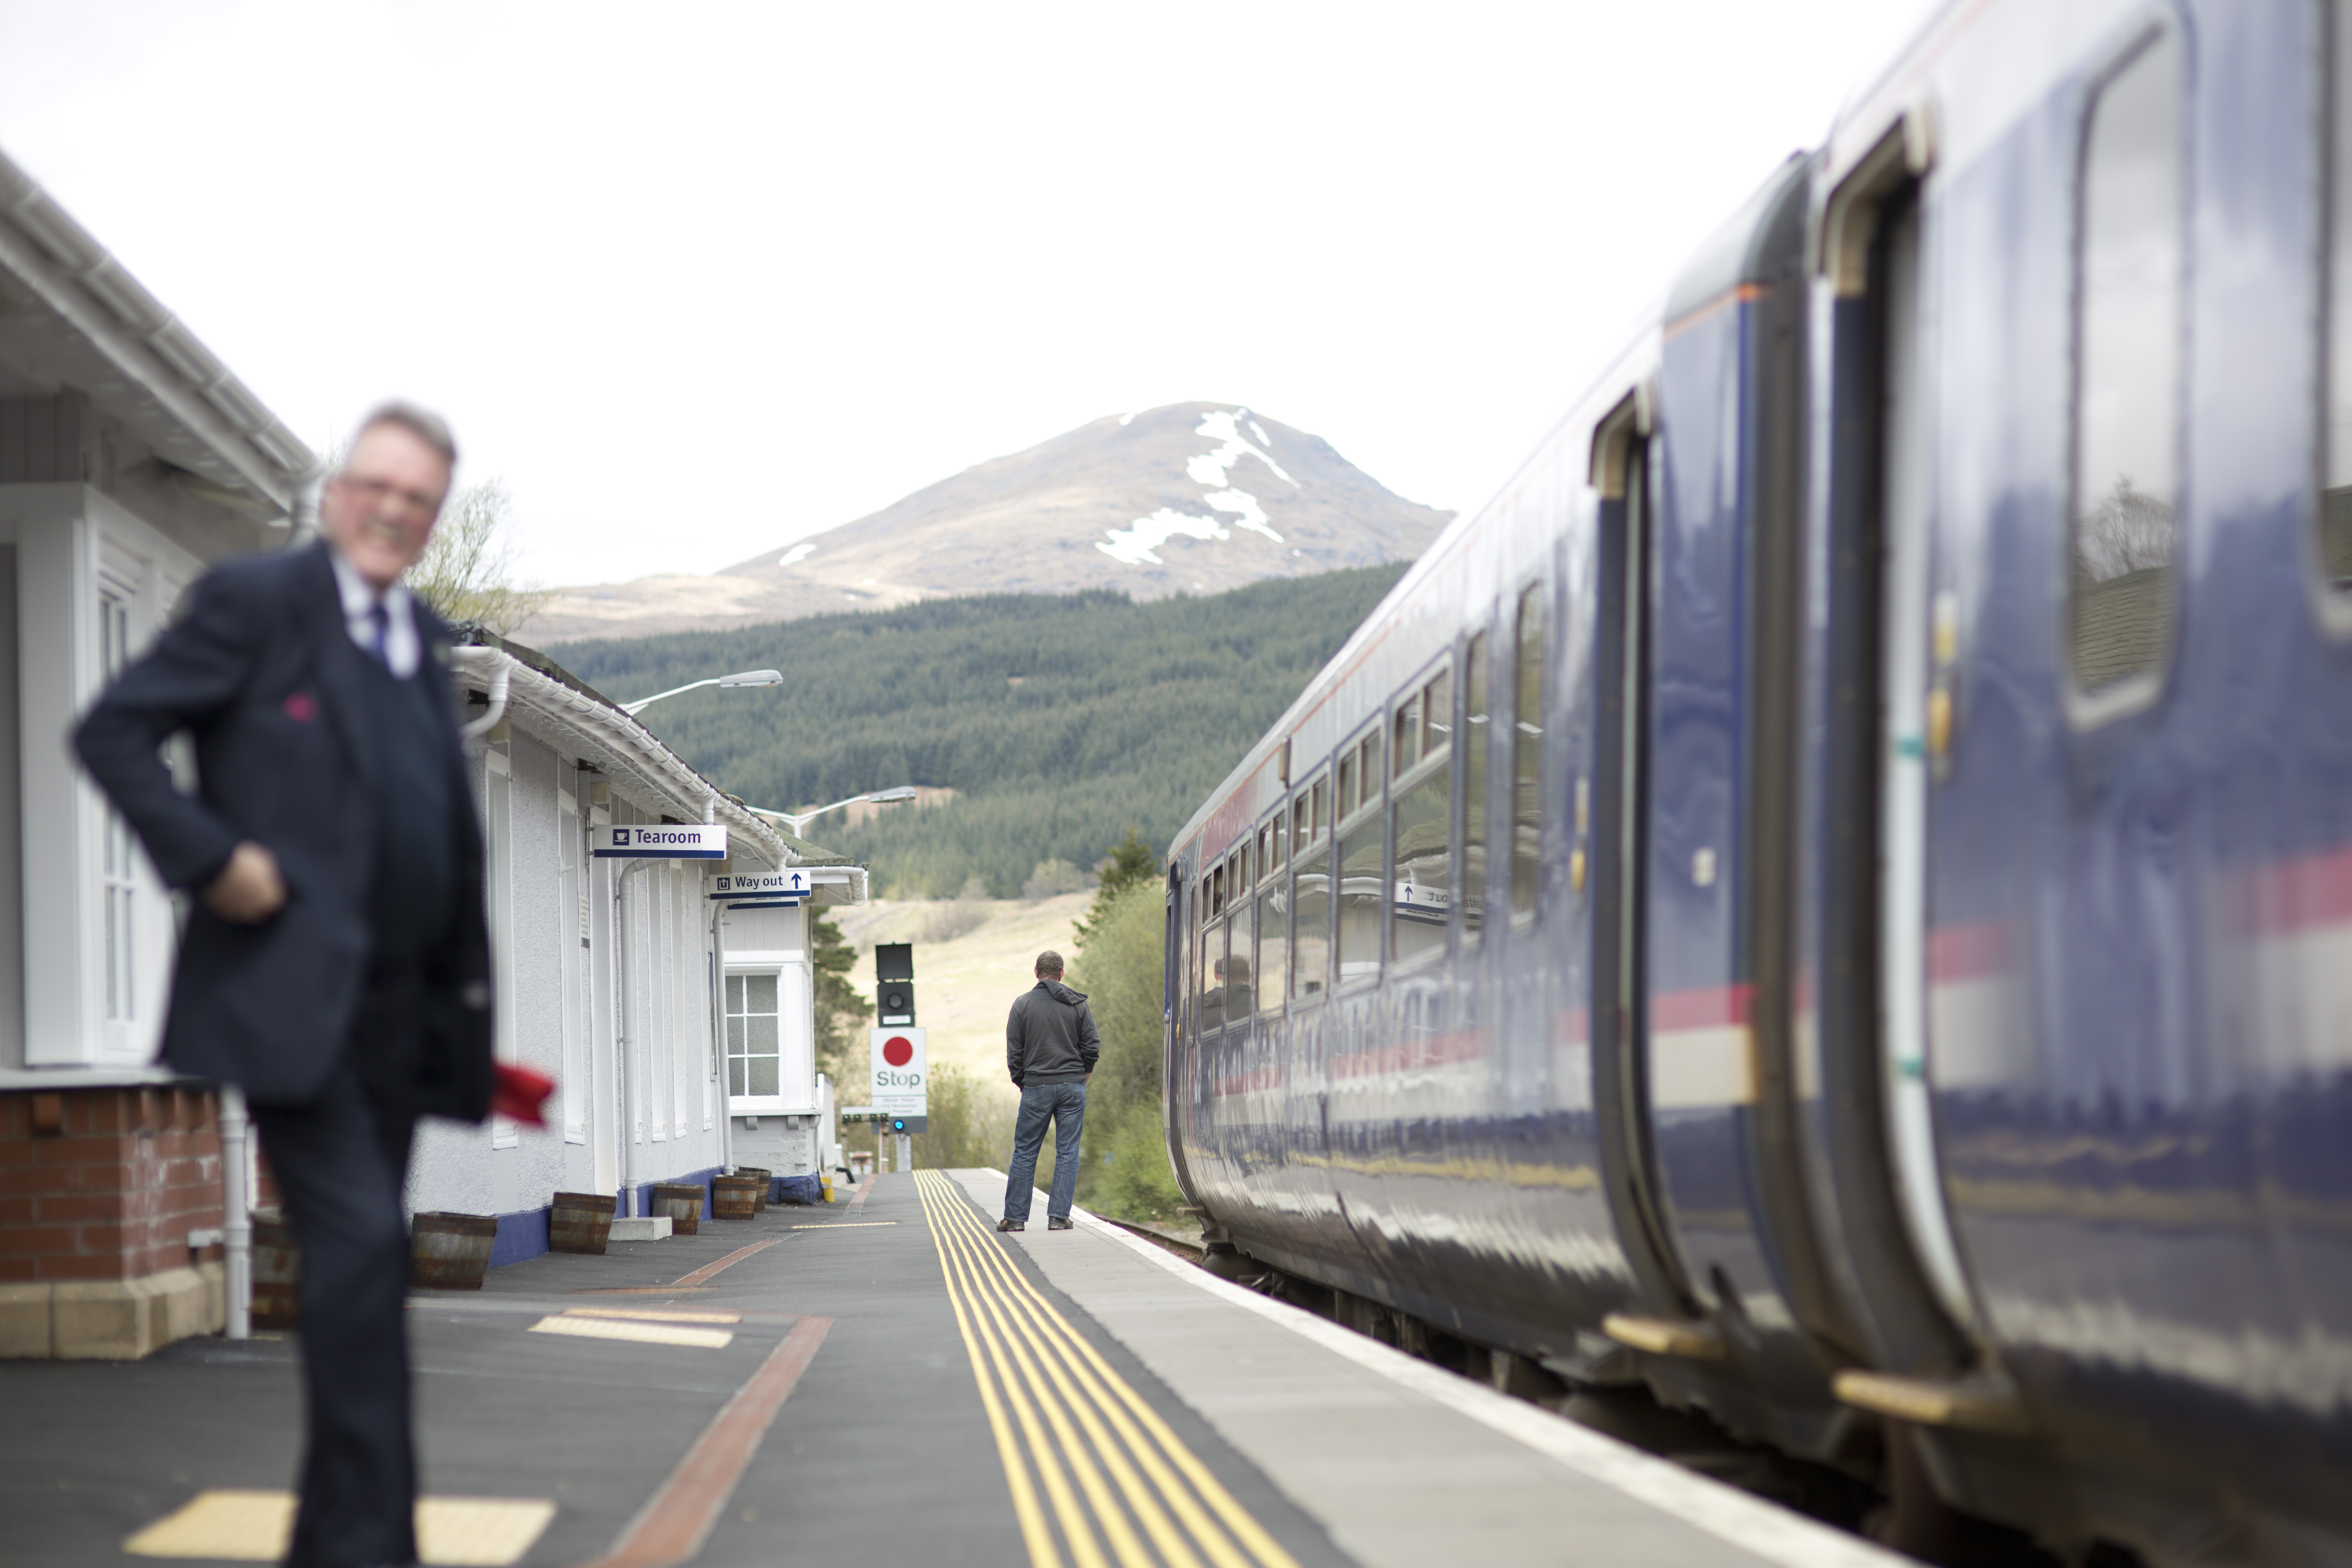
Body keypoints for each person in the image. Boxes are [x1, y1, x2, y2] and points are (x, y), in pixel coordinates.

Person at [75, 403, 492, 1568]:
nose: (392, 512)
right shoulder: (255, 608)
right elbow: (114, 733)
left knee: (367, 1280)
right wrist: (213, 860)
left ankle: (332, 1540)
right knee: (360, 1261)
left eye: (418, 502)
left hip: (406, 1019)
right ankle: (379, 1548)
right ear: (336, 493)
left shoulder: (420, 634)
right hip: (294, 1008)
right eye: (378, 487)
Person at [999, 949, 1100, 1232]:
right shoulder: (1078, 1004)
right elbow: (1092, 1045)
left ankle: (1016, 1218)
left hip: (1036, 1086)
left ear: (1036, 973)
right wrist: (1084, 1075)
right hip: (1073, 1086)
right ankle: (1059, 1217)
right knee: (1068, 1151)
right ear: (1061, 974)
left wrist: (1023, 1081)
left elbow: (1014, 1053)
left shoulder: (1022, 1005)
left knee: (1026, 1151)